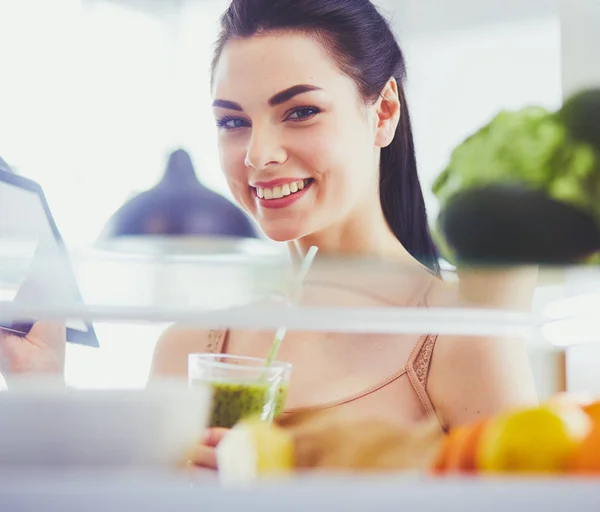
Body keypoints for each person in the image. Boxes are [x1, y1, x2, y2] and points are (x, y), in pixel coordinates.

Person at [0, 0, 538, 470]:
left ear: (385, 112)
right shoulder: (185, 350)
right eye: (234, 122)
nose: (259, 155)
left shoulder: (465, 339)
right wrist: (42, 390)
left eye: (301, 112)